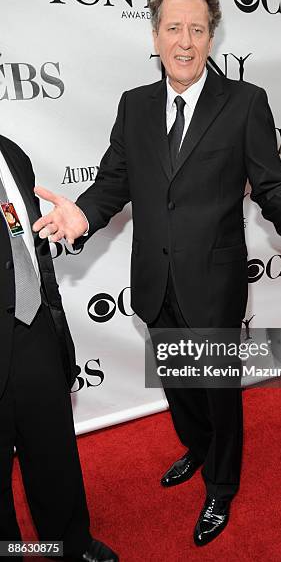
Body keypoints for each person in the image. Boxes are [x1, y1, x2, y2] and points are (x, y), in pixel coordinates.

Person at [32, 0, 281, 547]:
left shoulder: (245, 103)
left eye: (197, 29)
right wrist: (83, 218)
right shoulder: (135, 106)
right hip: (154, 281)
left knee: (219, 397)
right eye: (173, 28)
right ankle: (196, 451)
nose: (184, 40)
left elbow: (272, 187)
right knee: (178, 384)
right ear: (154, 36)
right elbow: (111, 184)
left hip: (214, 283)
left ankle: (222, 486)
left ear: (211, 37)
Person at [0, 134, 118, 561]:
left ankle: (70, 545)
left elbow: (24, 244)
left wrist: (71, 227)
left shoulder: (11, 153)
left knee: (53, 452)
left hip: (33, 327)